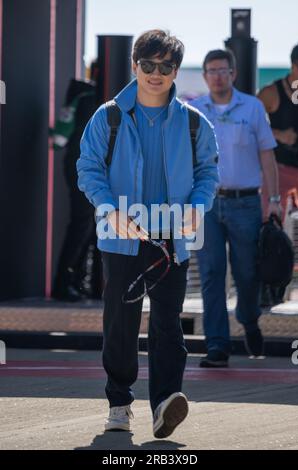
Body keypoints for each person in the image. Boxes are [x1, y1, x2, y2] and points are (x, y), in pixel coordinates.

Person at [77, 30, 219, 438]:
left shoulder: (194, 122)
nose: (156, 74)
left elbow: (209, 173)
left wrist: (197, 206)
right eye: (149, 65)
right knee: (120, 321)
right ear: (134, 65)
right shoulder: (108, 116)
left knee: (168, 324)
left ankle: (165, 403)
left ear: (175, 70)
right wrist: (108, 208)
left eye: (166, 66)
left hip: (172, 239)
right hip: (120, 237)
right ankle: (119, 403)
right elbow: (88, 169)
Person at [190, 49, 281, 368]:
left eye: (222, 70)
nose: (217, 76)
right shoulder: (194, 110)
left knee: (247, 273)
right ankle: (217, 345)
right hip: (207, 204)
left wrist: (273, 201)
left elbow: (267, 157)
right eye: (211, 71)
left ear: (234, 73)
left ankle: (249, 320)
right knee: (212, 274)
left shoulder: (253, 107)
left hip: (245, 203)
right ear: (204, 76)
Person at [53, 65, 103, 302]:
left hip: (82, 169)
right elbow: (59, 139)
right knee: (84, 224)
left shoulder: (80, 96)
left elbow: (58, 139)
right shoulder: (86, 97)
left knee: (90, 225)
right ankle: (64, 284)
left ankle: (76, 282)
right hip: (84, 171)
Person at [257, 43, 298, 305]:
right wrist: (278, 134)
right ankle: (270, 289)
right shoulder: (272, 93)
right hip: (281, 170)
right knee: (269, 228)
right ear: (296, 67)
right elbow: (250, 121)